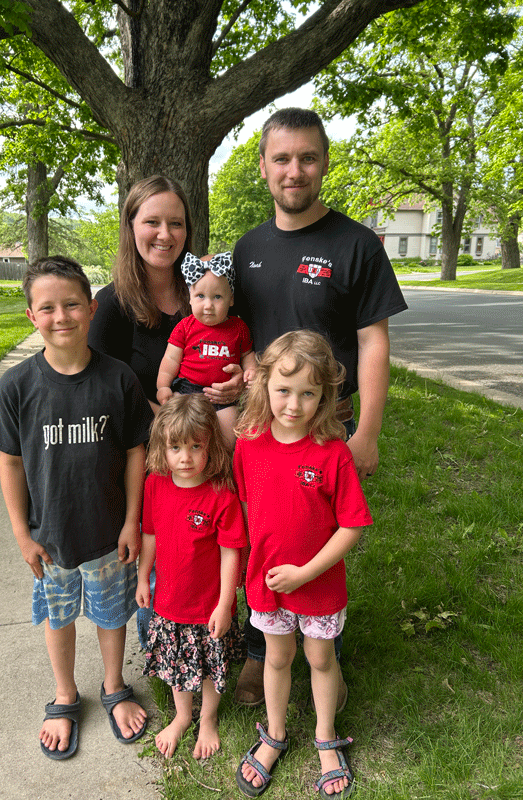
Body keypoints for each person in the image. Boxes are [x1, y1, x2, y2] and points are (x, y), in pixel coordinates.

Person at [229, 107, 408, 707]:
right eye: (281, 158)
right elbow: (240, 333)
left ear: (325, 162)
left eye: (308, 157)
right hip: (263, 424)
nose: (295, 170)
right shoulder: (248, 248)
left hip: (330, 423)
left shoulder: (357, 245)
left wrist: (368, 433)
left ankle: (324, 648)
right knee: (264, 529)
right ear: (263, 167)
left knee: (321, 534)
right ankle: (262, 650)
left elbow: (373, 340)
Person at [0, 256, 154, 759]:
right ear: (31, 315)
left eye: (72, 304)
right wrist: (22, 534)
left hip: (108, 532)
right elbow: (11, 463)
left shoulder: (119, 379)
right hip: (50, 537)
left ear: (92, 309)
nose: (61, 316)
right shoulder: (17, 387)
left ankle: (114, 686)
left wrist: (132, 521)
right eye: (48, 307)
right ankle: (64, 694)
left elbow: (136, 452)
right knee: (59, 619)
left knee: (111, 614)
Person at [88, 176, 243, 648]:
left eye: (176, 223)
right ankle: (161, 638)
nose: (164, 234)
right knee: (165, 539)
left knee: (212, 537)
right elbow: (100, 386)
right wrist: (164, 412)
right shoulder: (112, 305)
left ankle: (218, 629)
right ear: (130, 226)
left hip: (209, 444)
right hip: (151, 451)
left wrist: (240, 379)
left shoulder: (207, 288)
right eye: (151, 221)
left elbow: (241, 346)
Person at [233, 330, 373, 798]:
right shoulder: (249, 444)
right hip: (269, 582)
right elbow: (250, 508)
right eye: (284, 390)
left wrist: (306, 573)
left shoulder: (333, 453)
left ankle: (325, 737)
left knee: (319, 657)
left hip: (318, 585)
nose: (294, 404)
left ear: (325, 395)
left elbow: (351, 526)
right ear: (264, 385)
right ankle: (274, 734)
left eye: (308, 393)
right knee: (277, 657)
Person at [136, 394, 247, 760]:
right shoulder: (155, 485)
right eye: (176, 447)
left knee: (212, 667)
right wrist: (143, 577)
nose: (185, 457)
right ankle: (183, 716)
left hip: (208, 606)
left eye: (195, 446)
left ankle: (208, 719)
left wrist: (225, 604)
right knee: (175, 665)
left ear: (210, 446)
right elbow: (149, 534)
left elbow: (231, 552)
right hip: (169, 602)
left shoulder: (221, 495)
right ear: (162, 448)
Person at [156, 251, 257, 448]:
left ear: (231, 299)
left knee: (231, 430)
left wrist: (251, 371)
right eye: (200, 296)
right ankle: (181, 461)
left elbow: (247, 355)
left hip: (223, 397)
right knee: (175, 426)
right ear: (190, 298)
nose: (208, 305)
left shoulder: (238, 327)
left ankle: (222, 461)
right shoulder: (185, 326)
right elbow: (171, 359)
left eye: (217, 297)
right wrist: (163, 386)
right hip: (187, 391)